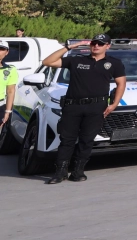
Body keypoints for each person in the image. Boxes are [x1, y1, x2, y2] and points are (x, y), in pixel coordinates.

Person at [40, 34, 127, 182]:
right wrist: (68, 47)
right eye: (94, 43)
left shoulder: (114, 63)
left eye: (100, 43)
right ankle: (60, 172)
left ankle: (78, 171)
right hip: (73, 106)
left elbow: (121, 83)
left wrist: (114, 104)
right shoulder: (77, 60)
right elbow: (48, 62)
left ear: (108, 46)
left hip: (96, 107)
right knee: (67, 140)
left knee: (87, 140)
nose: (96, 46)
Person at [0, 41, 18, 140]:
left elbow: (10, 91)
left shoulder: (10, 69)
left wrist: (7, 111)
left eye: (1, 49)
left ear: (7, 52)